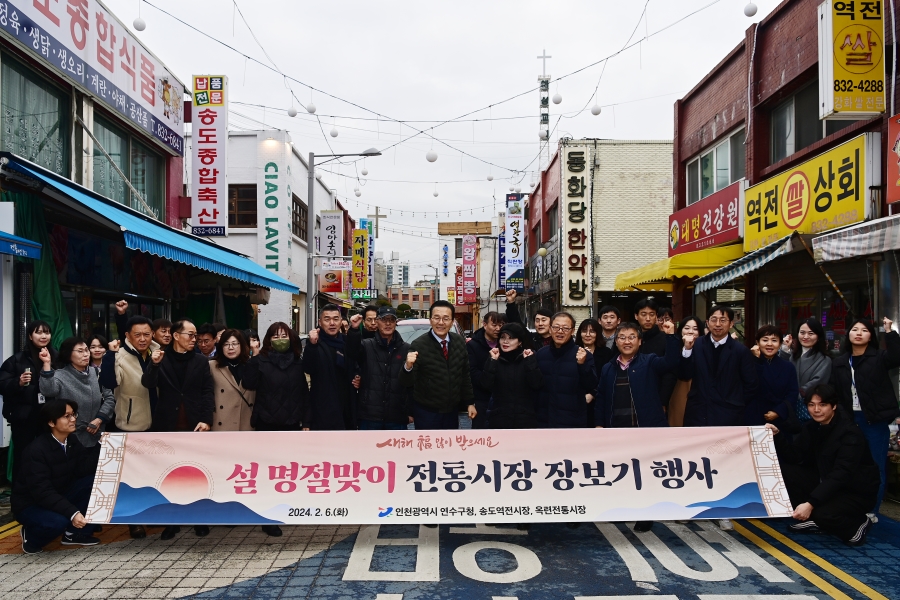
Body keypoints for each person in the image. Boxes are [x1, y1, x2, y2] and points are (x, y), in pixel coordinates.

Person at [594, 320, 679, 532]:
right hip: (618, 428)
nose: (627, 341)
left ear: (640, 341)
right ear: (616, 341)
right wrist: (599, 424)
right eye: (622, 337)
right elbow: (602, 397)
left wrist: (671, 337)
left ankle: (645, 514)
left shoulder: (650, 361)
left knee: (645, 472)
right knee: (622, 471)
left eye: (632, 337)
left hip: (645, 428)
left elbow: (672, 363)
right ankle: (625, 508)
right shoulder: (608, 367)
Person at [678, 306, 758, 531]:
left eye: (723, 320)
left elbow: (751, 385)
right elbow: (684, 375)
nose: (718, 324)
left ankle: (723, 511)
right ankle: (692, 507)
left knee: (724, 464)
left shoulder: (740, 351)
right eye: (713, 319)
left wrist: (733, 403)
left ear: (731, 323)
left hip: (727, 414)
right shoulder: (697, 345)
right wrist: (686, 350)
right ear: (707, 322)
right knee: (695, 461)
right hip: (697, 411)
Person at [770, 384, 880, 546]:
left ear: (833, 406)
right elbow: (794, 457)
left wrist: (810, 504)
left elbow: (841, 474)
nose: (816, 410)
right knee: (784, 472)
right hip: (827, 481)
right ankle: (818, 519)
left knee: (823, 514)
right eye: (811, 405)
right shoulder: (811, 427)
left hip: (855, 491)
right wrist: (777, 436)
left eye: (822, 405)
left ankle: (859, 522)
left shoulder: (850, 433)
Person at [141, 319, 215, 540]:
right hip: (167, 424)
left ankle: (199, 520)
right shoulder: (159, 357)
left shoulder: (201, 362)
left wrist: (206, 419)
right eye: (190, 335)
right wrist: (153, 365)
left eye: (196, 335)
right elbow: (147, 384)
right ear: (175, 335)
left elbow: (207, 392)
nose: (195, 339)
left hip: (194, 426)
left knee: (197, 474)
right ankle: (171, 521)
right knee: (168, 476)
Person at [829, 317, 900, 517]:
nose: (859, 333)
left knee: (876, 468)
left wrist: (889, 331)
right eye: (854, 329)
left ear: (870, 336)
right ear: (848, 335)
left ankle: (872, 510)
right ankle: (849, 504)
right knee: (847, 464)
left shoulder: (879, 357)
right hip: (849, 421)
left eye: (864, 330)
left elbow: (897, 357)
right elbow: (834, 393)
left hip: (874, 422)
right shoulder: (839, 362)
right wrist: (841, 418)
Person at [98, 314, 159, 539]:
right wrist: (110, 355)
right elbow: (108, 382)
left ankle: (152, 515)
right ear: (127, 335)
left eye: (146, 334)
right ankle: (135, 521)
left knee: (152, 473)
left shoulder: (158, 352)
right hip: (130, 424)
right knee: (132, 477)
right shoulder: (120, 356)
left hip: (157, 422)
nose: (142, 339)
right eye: (137, 335)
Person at [12, 399, 100, 553]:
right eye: (67, 416)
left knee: (94, 482)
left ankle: (73, 534)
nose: (73, 419)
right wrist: (72, 512)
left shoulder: (71, 440)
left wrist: (100, 444)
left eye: (73, 414)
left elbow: (83, 469)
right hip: (31, 503)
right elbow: (42, 492)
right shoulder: (36, 451)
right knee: (57, 522)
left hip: (58, 493)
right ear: (52, 422)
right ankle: (31, 538)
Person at [399, 300, 474, 430]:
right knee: (427, 447)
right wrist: (408, 367)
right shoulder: (419, 344)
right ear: (430, 320)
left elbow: (464, 375)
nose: (441, 323)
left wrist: (469, 403)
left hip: (452, 411)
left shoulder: (459, 342)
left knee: (449, 447)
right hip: (426, 412)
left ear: (452, 321)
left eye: (446, 318)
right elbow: (406, 382)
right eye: (436, 318)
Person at [38, 338, 115, 459]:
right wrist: (47, 364)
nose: (85, 354)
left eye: (86, 350)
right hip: (72, 438)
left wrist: (100, 419)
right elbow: (48, 390)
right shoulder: (60, 375)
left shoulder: (97, 373)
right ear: (68, 354)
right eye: (80, 351)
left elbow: (110, 398)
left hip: (97, 435)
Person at [0, 320, 56, 482]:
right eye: (38, 332)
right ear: (30, 336)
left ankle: (48, 491)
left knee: (50, 455)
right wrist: (18, 382)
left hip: (50, 415)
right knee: (23, 455)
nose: (43, 336)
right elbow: (2, 385)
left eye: (46, 332)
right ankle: (20, 497)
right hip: (24, 417)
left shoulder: (57, 356)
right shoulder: (17, 360)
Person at [353, 306, 413, 430]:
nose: (387, 323)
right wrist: (353, 330)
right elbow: (351, 354)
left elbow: (412, 383)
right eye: (384, 319)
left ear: (396, 323)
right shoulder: (366, 345)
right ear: (377, 322)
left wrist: (410, 411)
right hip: (369, 415)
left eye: (391, 320)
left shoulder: (406, 349)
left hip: (397, 415)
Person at [535, 312, 598, 429]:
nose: (560, 331)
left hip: (573, 422)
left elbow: (592, 385)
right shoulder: (541, 354)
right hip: (544, 421)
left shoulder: (583, 355)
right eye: (556, 327)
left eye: (565, 328)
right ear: (550, 329)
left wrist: (582, 365)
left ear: (573, 331)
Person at [243, 322, 307, 432]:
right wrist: (254, 356)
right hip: (266, 422)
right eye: (276, 337)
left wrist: (306, 421)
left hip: (293, 423)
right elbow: (249, 383)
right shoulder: (260, 360)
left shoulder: (297, 362)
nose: (280, 340)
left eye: (284, 336)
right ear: (269, 340)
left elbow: (304, 393)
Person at [304, 305, 356, 431]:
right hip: (323, 410)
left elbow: (356, 364)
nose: (332, 323)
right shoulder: (315, 343)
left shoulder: (346, 341)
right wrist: (312, 345)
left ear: (341, 321)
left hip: (347, 408)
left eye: (336, 319)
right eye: (327, 319)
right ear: (320, 322)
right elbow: (308, 368)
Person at [481, 323, 542, 429]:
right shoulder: (494, 358)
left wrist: (530, 363)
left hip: (525, 420)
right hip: (499, 419)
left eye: (511, 338)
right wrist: (492, 362)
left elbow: (537, 384)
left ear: (520, 342)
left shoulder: (528, 358)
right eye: (503, 337)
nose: (505, 342)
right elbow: (485, 385)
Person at [781, 318, 832, 423]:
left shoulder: (824, 360)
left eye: (811, 333)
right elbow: (780, 372)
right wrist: (785, 350)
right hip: (786, 408)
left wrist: (793, 394)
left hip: (809, 409)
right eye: (802, 332)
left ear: (818, 336)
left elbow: (816, 383)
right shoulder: (791, 355)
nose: (805, 337)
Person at [748, 325, 798, 429]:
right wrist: (756, 361)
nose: (769, 344)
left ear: (780, 344)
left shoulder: (788, 367)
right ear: (757, 343)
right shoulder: (748, 363)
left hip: (779, 421)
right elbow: (751, 387)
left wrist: (779, 411)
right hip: (753, 418)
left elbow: (792, 394)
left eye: (774, 340)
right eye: (765, 340)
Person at [210, 329, 255, 432]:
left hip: (246, 424)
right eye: (226, 344)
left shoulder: (251, 365)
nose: (231, 348)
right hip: (222, 424)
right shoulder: (212, 366)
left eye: (234, 344)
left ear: (242, 345)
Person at [467, 311, 506, 428]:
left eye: (501, 325)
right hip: (481, 399)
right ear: (484, 325)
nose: (498, 329)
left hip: (502, 398)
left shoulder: (505, 344)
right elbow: (471, 372)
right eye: (494, 325)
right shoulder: (473, 345)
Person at [668, 316, 702, 427]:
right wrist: (687, 349)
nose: (691, 331)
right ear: (681, 330)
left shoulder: (704, 348)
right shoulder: (673, 346)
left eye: (695, 329)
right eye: (687, 328)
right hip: (677, 390)